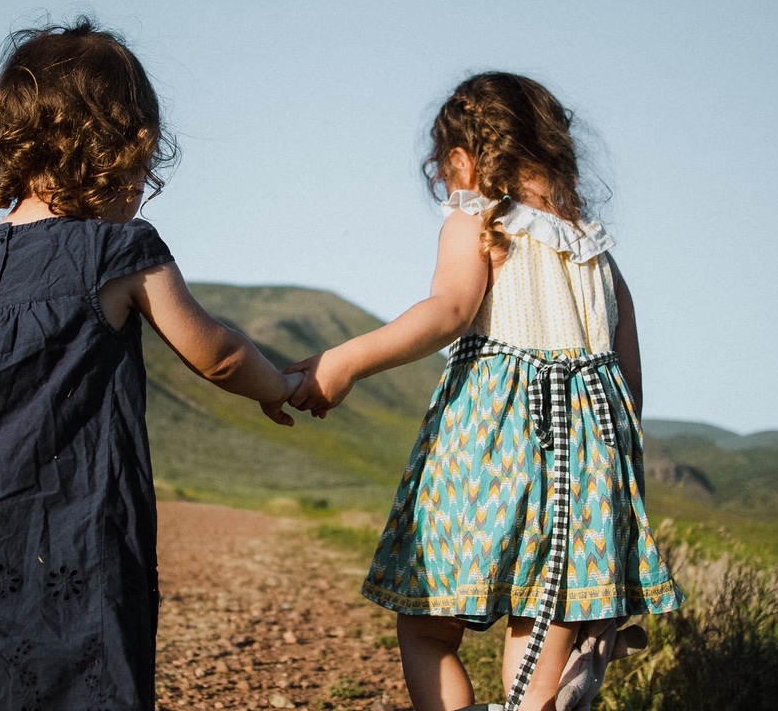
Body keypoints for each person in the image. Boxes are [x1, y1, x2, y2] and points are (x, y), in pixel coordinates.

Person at [0, 18, 299, 711]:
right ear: (126, 148)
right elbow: (218, 353)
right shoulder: (117, 253)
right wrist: (282, 384)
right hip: (61, 539)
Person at [287, 73, 682, 711]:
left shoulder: (477, 221)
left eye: (444, 171)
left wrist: (345, 361)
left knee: (426, 629)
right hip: (584, 476)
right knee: (539, 634)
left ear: (465, 160)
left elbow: (447, 310)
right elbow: (628, 387)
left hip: (490, 455)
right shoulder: (599, 259)